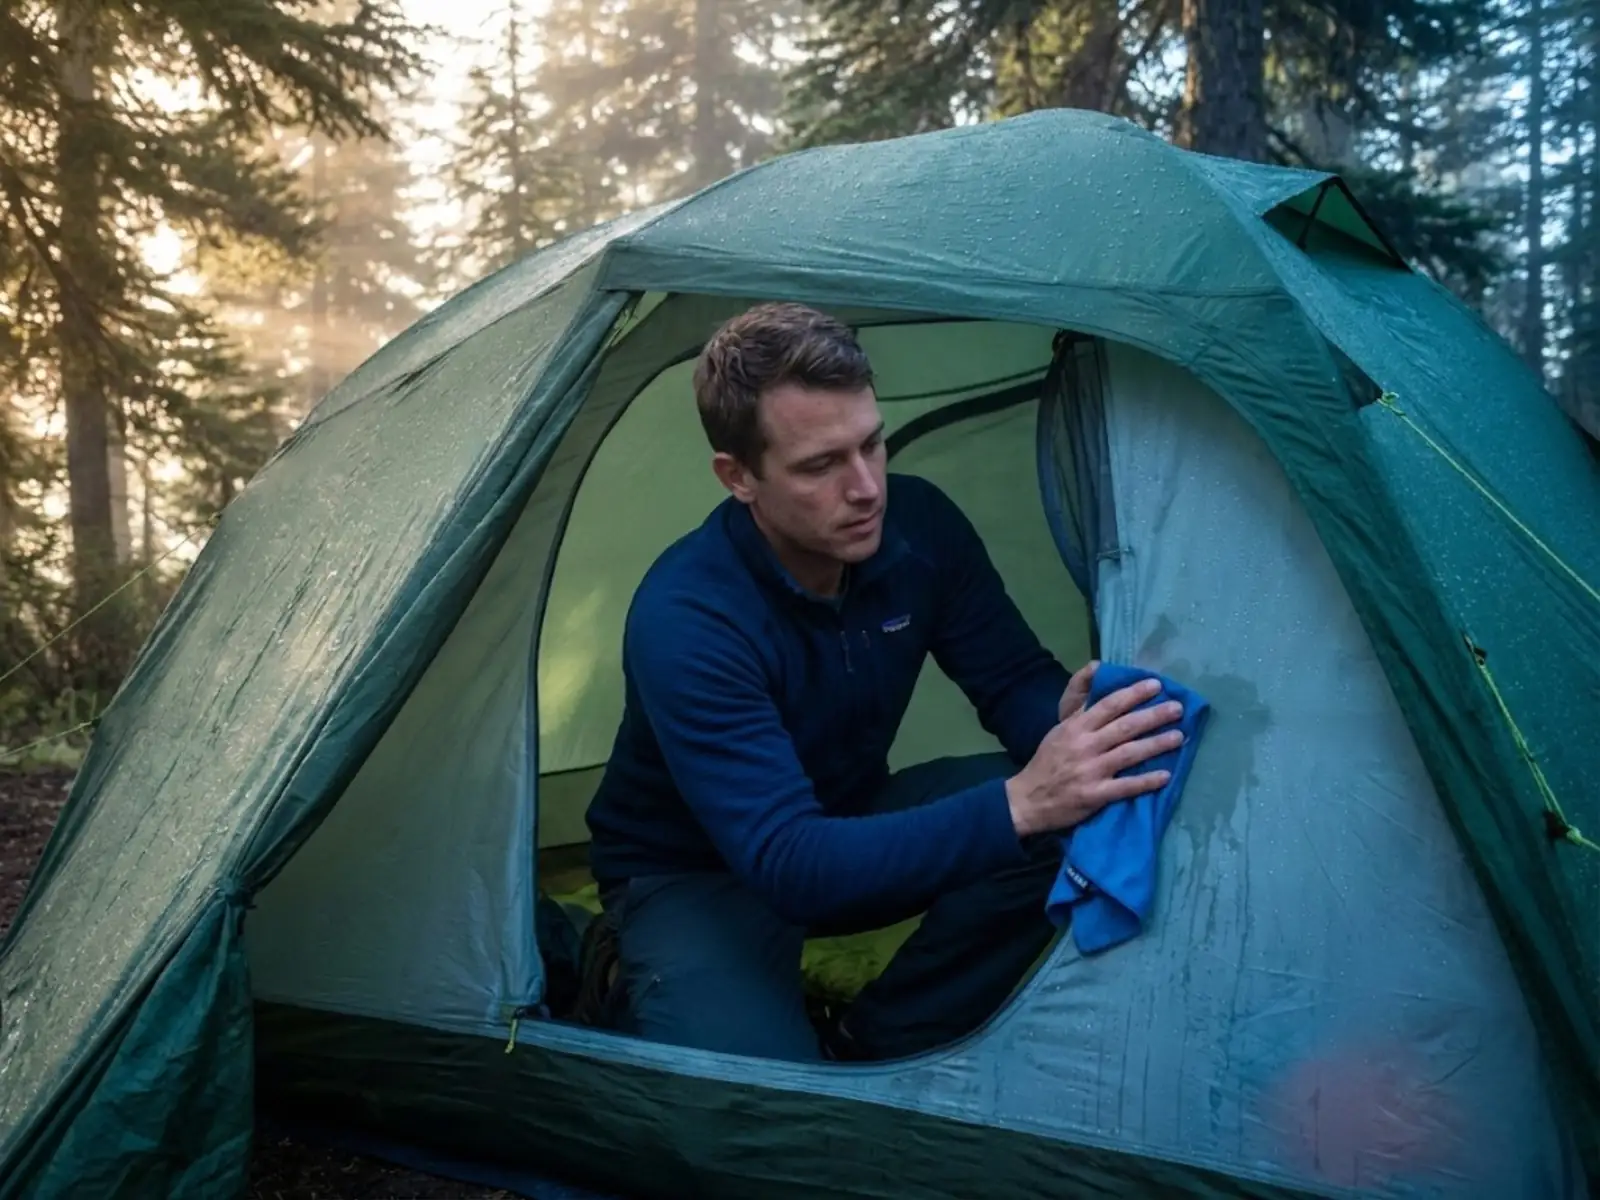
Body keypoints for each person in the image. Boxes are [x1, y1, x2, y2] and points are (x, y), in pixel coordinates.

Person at [583, 302, 1183, 1063]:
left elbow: (1012, 679)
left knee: (1073, 816)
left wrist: (1062, 726)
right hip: (693, 875)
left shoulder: (919, 527)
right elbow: (790, 863)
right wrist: (1022, 801)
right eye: (820, 466)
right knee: (763, 1110)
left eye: (872, 444)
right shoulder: (689, 617)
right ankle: (624, 973)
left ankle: (878, 1039)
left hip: (844, 820)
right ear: (739, 477)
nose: (866, 487)